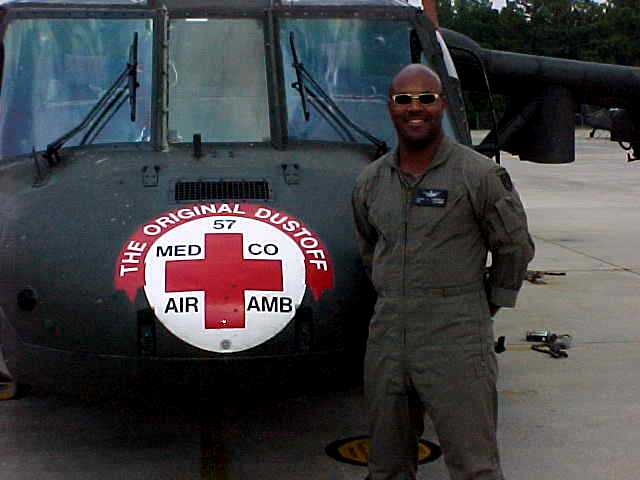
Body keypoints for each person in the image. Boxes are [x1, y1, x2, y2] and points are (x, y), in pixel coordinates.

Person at [351, 64, 535, 480]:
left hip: (456, 337)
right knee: (386, 466)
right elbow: (369, 246)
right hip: (388, 338)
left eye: (426, 98)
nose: (415, 108)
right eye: (404, 99)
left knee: (474, 466)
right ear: (390, 107)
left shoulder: (478, 175)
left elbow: (514, 247)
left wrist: (488, 302)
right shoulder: (371, 181)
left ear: (443, 105)